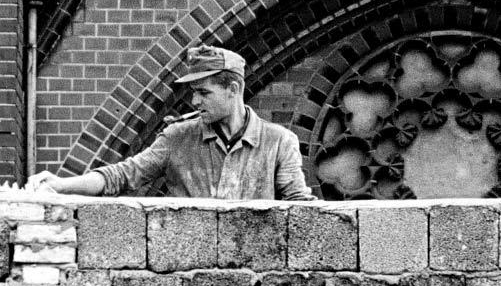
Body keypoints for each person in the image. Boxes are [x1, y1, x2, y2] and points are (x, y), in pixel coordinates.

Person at [27, 45, 316, 200]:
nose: (195, 102)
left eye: (204, 92)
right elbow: (122, 175)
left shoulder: (279, 142)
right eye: (193, 93)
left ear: (234, 89)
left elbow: (299, 209)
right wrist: (60, 185)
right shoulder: (177, 137)